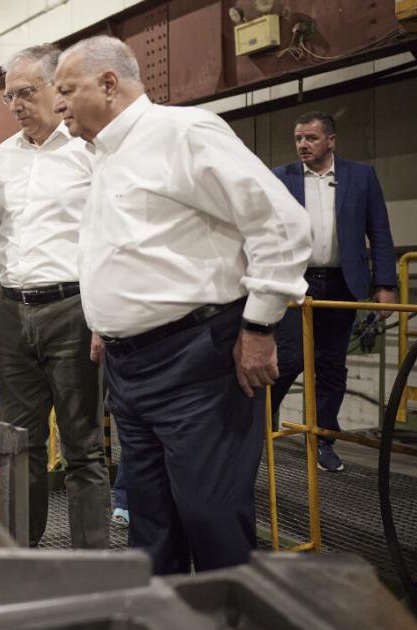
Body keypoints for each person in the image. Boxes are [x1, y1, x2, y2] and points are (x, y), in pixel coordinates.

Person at [53, 35, 311, 574]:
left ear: (108, 84)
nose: (59, 104)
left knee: (212, 519)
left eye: (67, 90)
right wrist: (106, 320)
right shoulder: (103, 155)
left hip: (195, 361)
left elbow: (281, 224)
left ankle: (230, 609)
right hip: (128, 368)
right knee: (150, 526)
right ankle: (163, 610)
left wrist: (260, 327)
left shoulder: (183, 133)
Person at [0, 45, 108, 549]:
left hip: (74, 311)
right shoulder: (4, 156)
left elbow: (108, 238)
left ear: (58, 88)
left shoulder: (90, 151)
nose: (16, 105)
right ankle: (22, 554)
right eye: (9, 96)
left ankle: (91, 563)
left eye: (26, 93)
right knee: (19, 444)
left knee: (83, 448)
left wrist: (103, 317)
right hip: (12, 312)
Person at [268, 111, 398, 472]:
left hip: (342, 283)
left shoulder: (361, 176)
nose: (303, 145)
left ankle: (323, 439)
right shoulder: (281, 177)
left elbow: (379, 231)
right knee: (290, 359)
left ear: (331, 140)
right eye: (298, 138)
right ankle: (260, 422)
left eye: (310, 138)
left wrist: (385, 285)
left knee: (331, 366)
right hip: (296, 283)